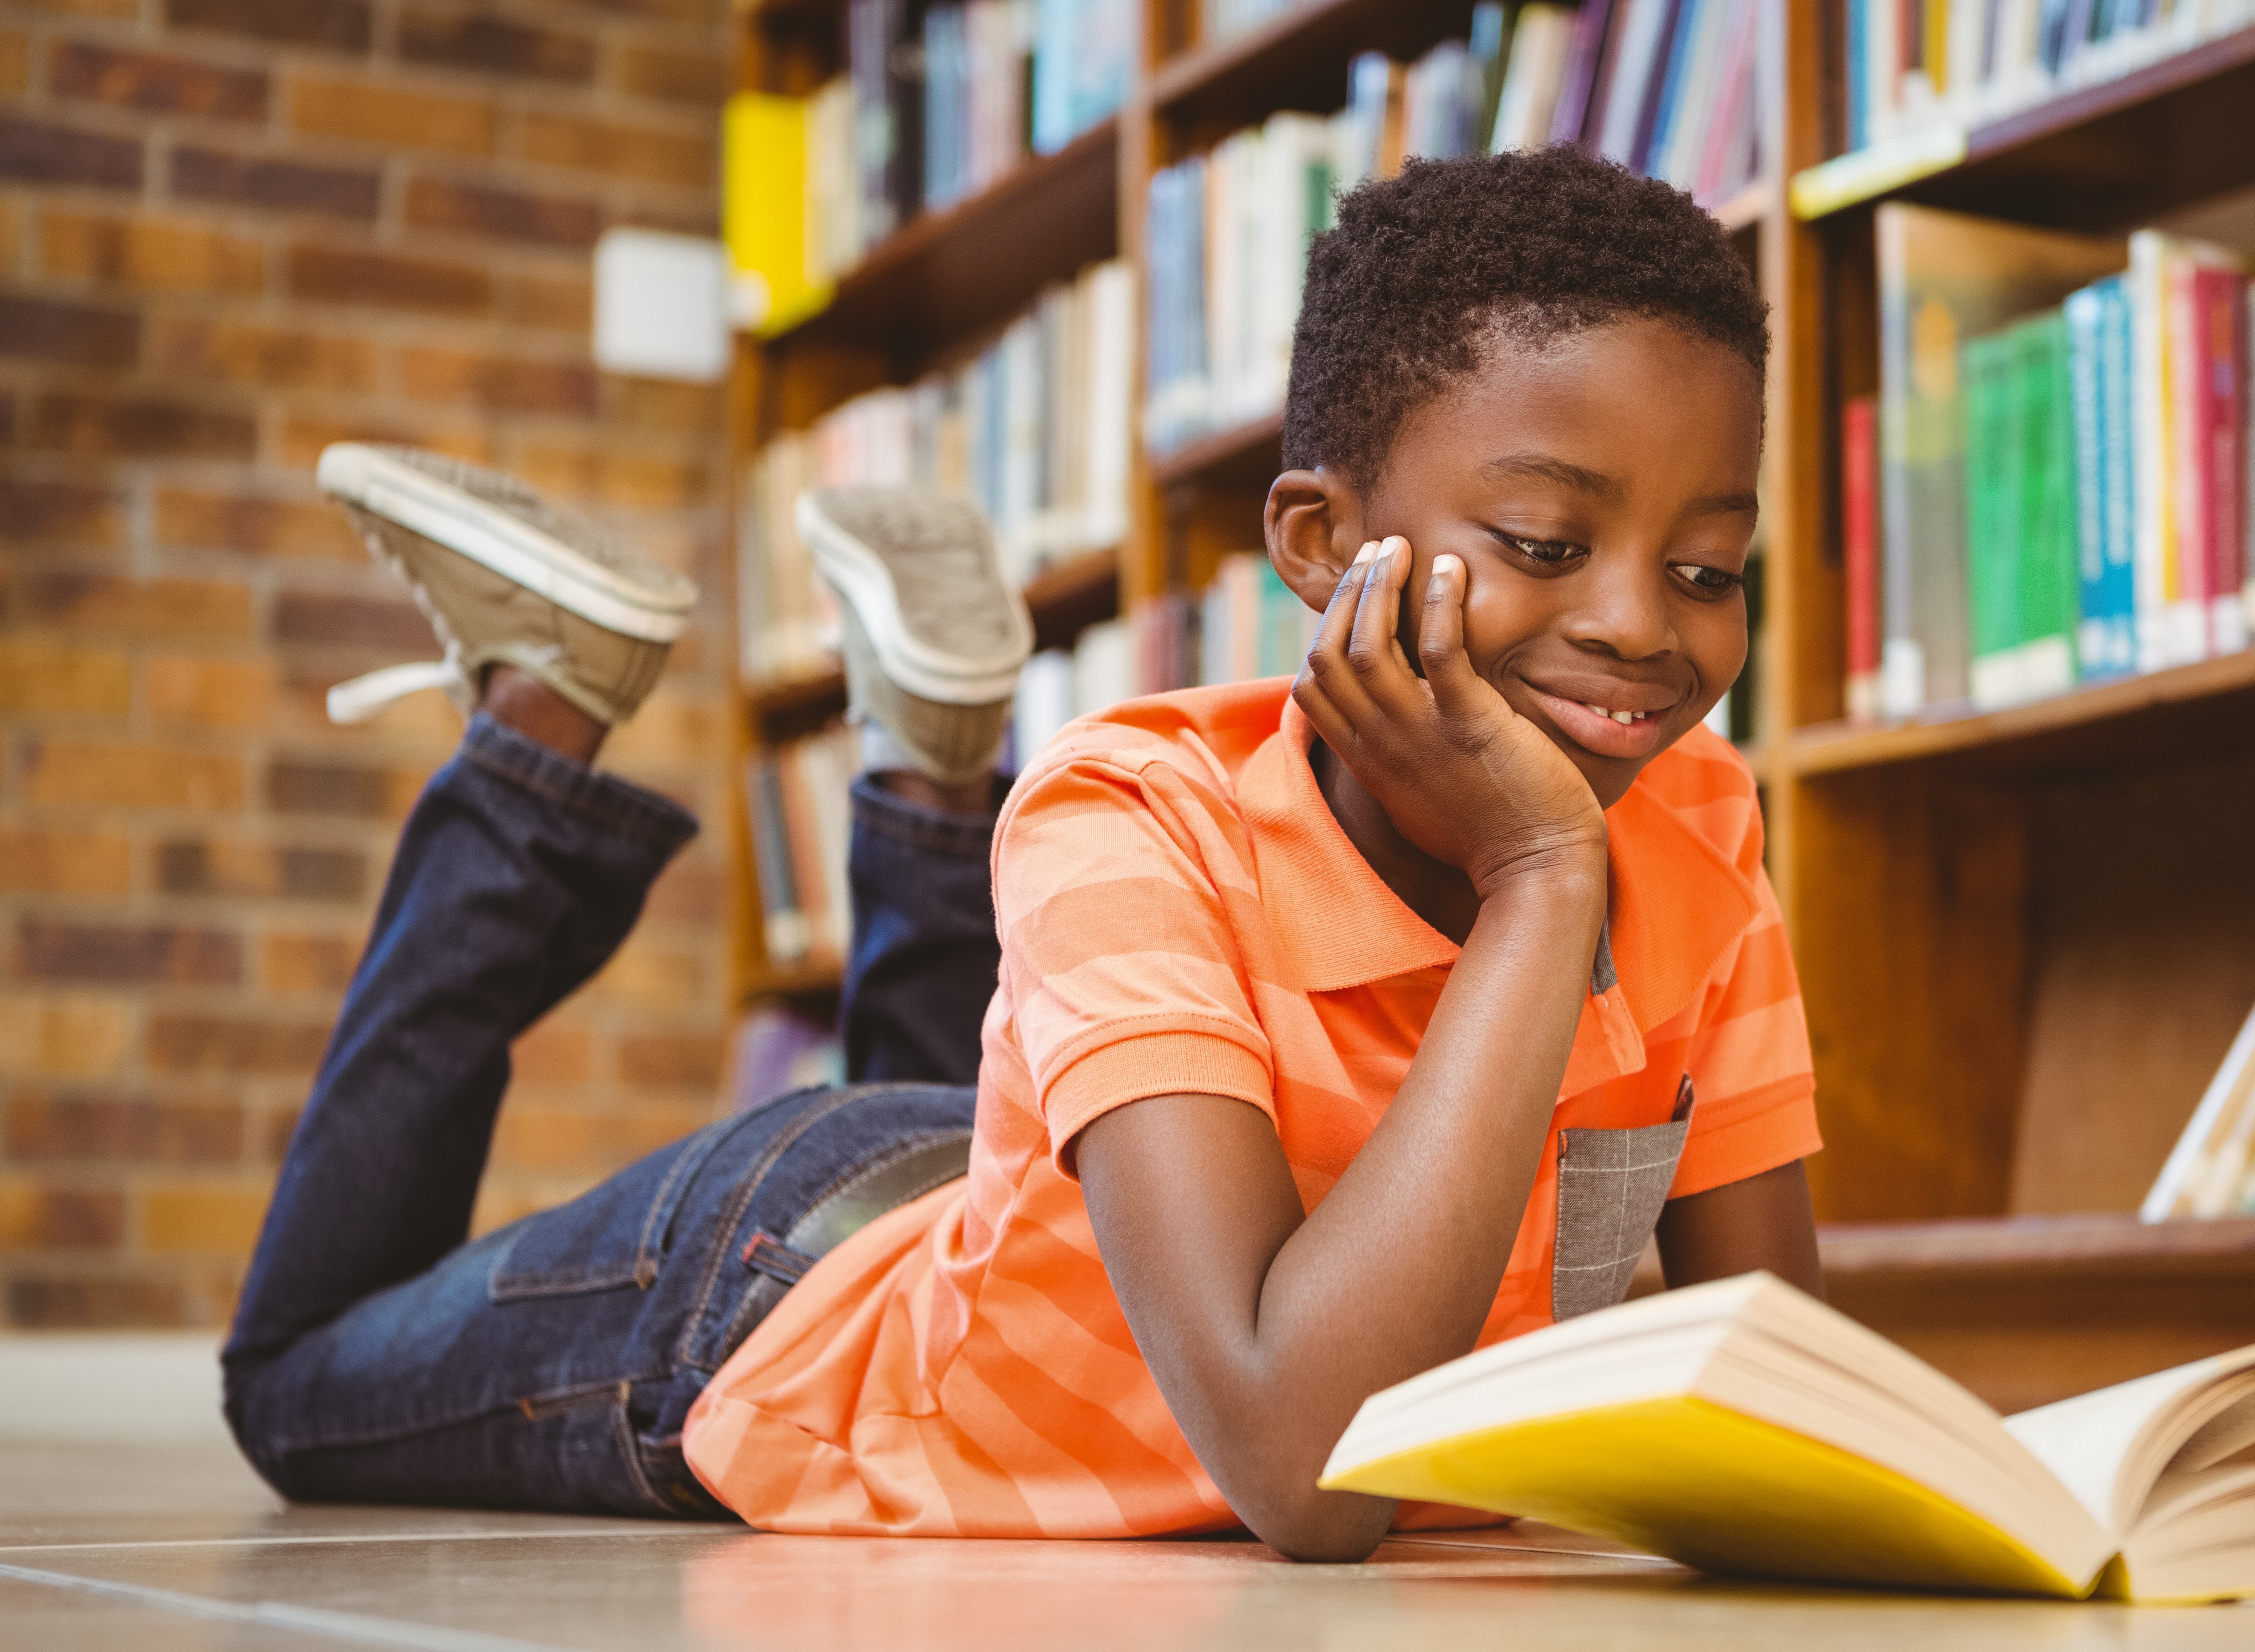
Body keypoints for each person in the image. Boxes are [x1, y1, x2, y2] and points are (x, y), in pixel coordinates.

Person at [223, 146, 1824, 1562]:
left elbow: (1776, 1392)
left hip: (1060, 1191)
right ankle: (539, 727)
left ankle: (924, 769)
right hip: (775, 1290)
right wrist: (1543, 883)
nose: (1636, 624)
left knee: (1028, 1185)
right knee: (292, 1380)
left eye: (1706, 566)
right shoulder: (1130, 815)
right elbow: (1309, 1472)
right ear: (1323, 547)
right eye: (1548, 546)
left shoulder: (1702, 828)